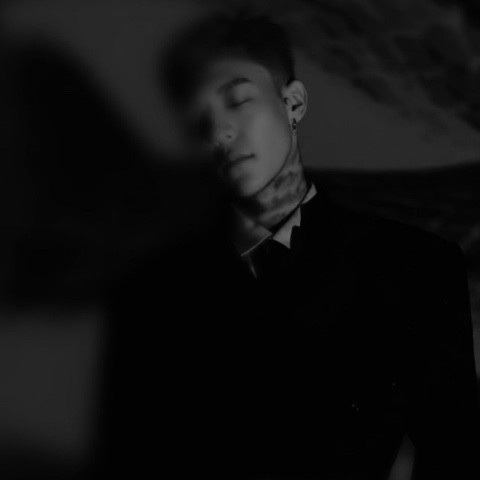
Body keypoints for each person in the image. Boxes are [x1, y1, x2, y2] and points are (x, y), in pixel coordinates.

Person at [98, 12, 480, 480]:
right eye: (198, 120)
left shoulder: (419, 265)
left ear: (293, 102)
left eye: (238, 100)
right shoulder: (148, 293)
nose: (221, 131)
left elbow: (456, 453)